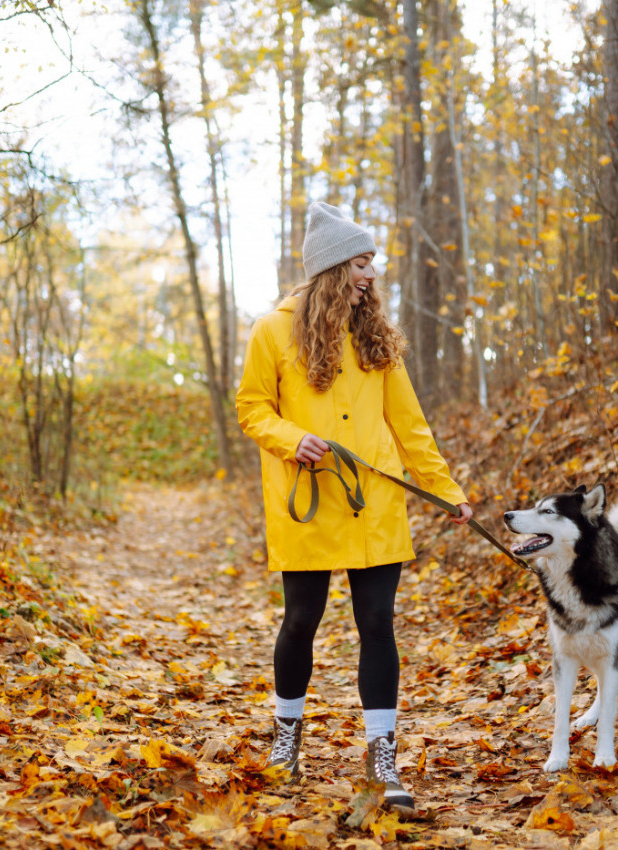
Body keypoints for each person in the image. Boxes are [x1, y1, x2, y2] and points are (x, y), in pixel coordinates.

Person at [235, 202, 472, 812]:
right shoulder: (271, 330)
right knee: (300, 621)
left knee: (377, 626)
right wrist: (292, 440)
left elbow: (410, 425)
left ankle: (381, 754)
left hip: (375, 507)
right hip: (305, 503)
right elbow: (253, 407)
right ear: (332, 268)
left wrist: (445, 489)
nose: (371, 274)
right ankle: (287, 734)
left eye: (371, 263)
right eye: (361, 263)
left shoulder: (376, 339)